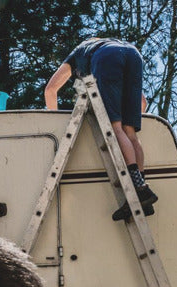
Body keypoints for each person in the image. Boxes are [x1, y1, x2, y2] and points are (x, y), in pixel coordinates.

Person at [44, 38, 157, 222]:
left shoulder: (79, 51)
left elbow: (51, 90)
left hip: (107, 59)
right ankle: (142, 188)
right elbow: (142, 102)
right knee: (130, 132)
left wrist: (54, 123)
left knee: (115, 128)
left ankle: (139, 190)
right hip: (134, 54)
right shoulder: (113, 46)